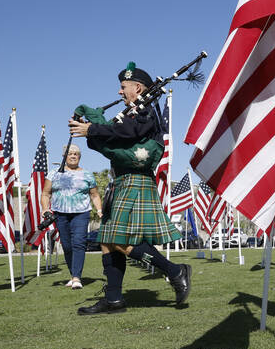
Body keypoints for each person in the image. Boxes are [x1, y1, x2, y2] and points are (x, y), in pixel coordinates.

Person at [67, 62, 190, 314]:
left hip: (136, 180)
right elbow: (111, 136)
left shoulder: (143, 112)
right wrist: (92, 127)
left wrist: (92, 128)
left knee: (119, 241)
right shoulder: (131, 111)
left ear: (137, 87)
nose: (119, 92)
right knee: (106, 241)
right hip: (122, 181)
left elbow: (126, 132)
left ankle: (174, 270)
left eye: (123, 88)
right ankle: (113, 300)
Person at [40, 145, 102, 289]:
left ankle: (76, 278)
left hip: (81, 213)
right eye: (70, 154)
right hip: (60, 214)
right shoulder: (54, 173)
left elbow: (94, 194)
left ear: (79, 157)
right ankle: (73, 274)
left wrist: (99, 209)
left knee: (79, 243)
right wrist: (45, 208)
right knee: (67, 246)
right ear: (64, 156)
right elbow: (46, 193)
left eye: (76, 154)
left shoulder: (87, 174)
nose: (73, 156)